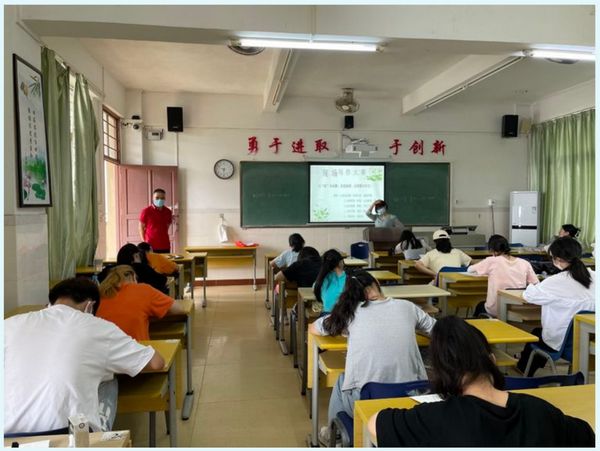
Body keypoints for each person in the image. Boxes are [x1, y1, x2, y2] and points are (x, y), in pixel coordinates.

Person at [368, 315, 595, 447]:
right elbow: (586, 436)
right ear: (492, 360)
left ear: (440, 373)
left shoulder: (436, 419)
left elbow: (375, 422)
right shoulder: (540, 411)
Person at [4, 278, 165, 435]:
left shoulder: (9, 324)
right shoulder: (98, 327)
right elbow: (156, 362)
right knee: (108, 379)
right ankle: (100, 437)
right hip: (68, 435)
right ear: (90, 306)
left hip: (7, 435)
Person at [309, 271, 435, 445]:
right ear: (377, 283)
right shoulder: (408, 307)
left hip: (368, 400)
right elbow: (437, 329)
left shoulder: (349, 314)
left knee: (342, 380)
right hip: (412, 398)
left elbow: (314, 328)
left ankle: (333, 436)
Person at [517, 237, 595, 376]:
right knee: (539, 333)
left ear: (557, 259)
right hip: (592, 342)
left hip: (566, 347)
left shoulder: (555, 282)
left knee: (537, 335)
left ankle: (523, 372)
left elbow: (528, 295)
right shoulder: (596, 276)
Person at [97, 265, 185, 341]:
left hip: (104, 351)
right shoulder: (143, 290)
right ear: (133, 277)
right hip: (136, 350)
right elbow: (179, 309)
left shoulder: (100, 295)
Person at [468, 234, 539, 317]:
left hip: (496, 309)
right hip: (519, 308)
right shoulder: (525, 263)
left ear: (492, 250)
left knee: (480, 306)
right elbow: (536, 284)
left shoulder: (492, 260)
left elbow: (470, 269)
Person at [139, 188, 172, 253]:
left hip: (165, 245)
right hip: (150, 245)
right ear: (153, 198)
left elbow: (167, 227)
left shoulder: (168, 212)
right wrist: (144, 242)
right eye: (157, 198)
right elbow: (141, 228)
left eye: (162, 198)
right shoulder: (146, 211)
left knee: (164, 259)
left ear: (165, 199)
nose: (160, 200)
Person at [313, 249, 347, 314]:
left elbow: (314, 286)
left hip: (325, 314)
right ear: (340, 262)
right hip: (340, 315)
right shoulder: (345, 279)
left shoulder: (323, 277)